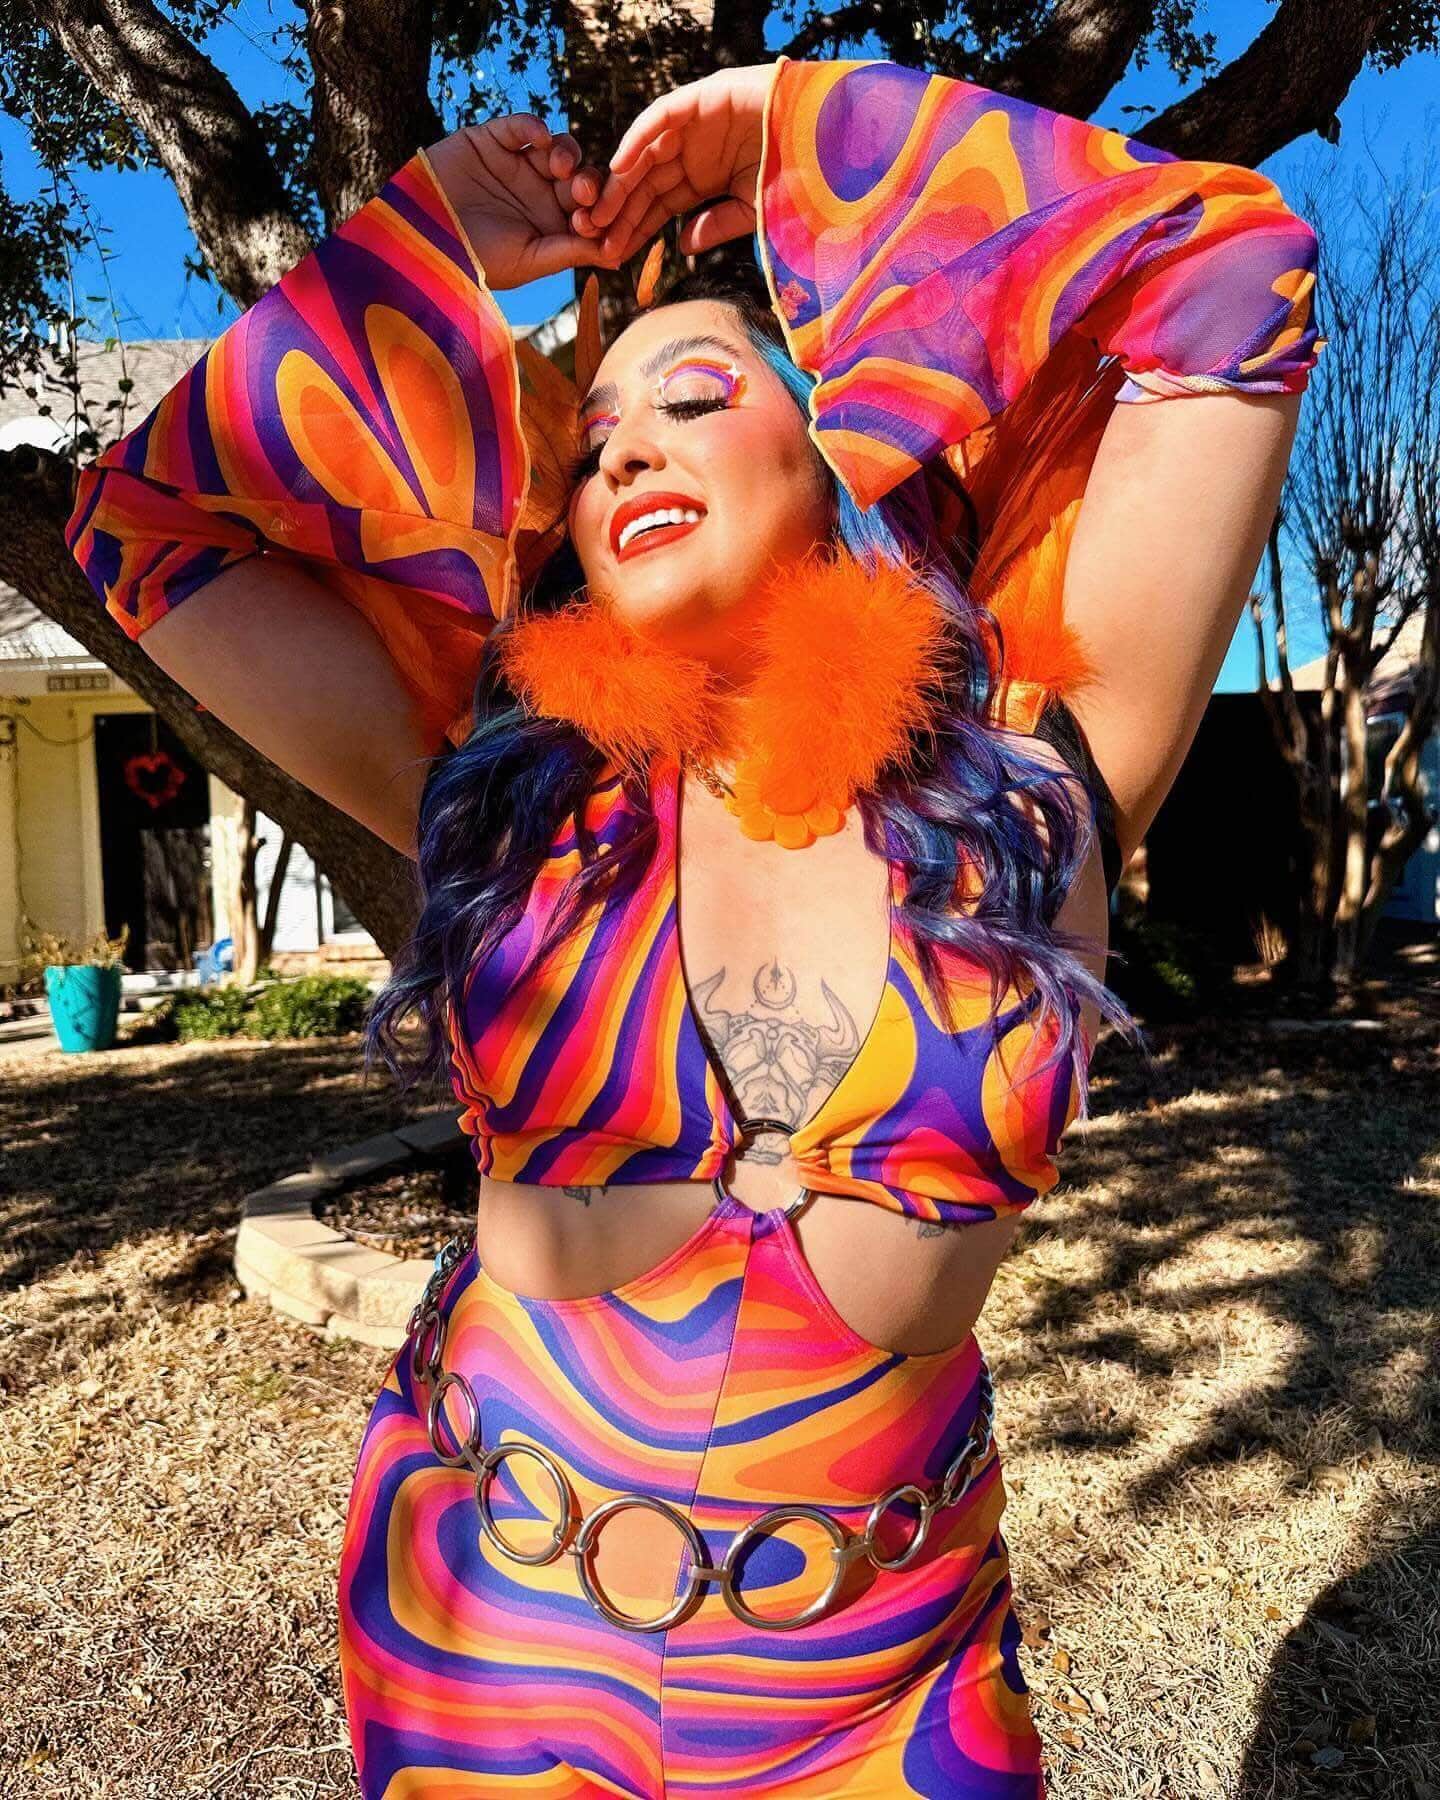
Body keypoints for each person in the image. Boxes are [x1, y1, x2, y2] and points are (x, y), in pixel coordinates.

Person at [66, 55, 1321, 1798]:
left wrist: (814, 138)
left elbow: (1236, 271)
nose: (632, 443)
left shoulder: (1030, 802)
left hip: (884, 1692)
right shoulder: (510, 815)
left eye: (700, 390)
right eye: (593, 445)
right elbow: (145, 526)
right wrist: (418, 241)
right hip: (486, 1656)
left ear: (841, 451)